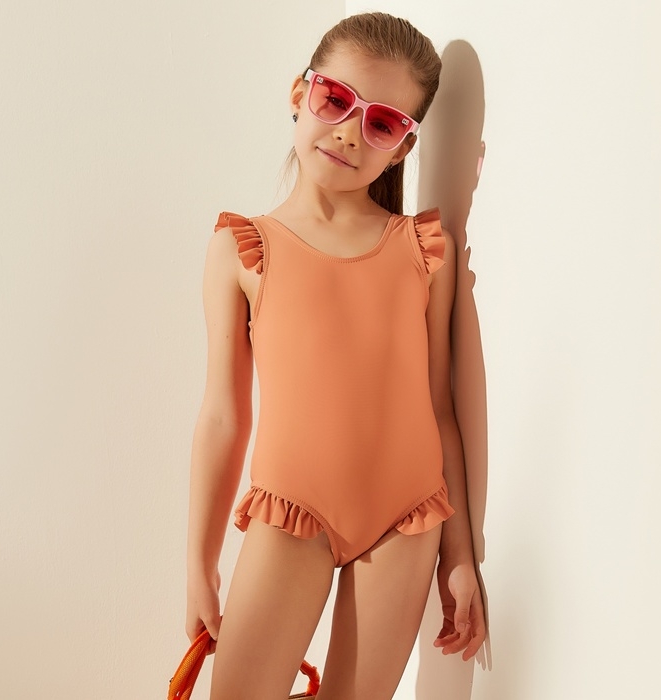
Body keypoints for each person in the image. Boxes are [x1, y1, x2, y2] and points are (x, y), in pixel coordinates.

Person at [185, 12, 486, 699]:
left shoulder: (424, 251)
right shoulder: (242, 248)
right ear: (301, 93)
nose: (351, 131)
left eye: (382, 123)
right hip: (292, 510)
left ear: (403, 148)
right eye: (336, 100)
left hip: (407, 518)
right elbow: (223, 417)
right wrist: (200, 566)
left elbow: (439, 408)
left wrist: (460, 556)